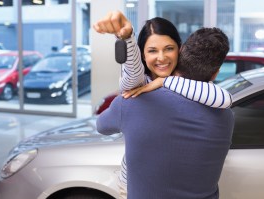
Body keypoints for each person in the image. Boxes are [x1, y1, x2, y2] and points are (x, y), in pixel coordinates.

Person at [94, 11, 233, 199]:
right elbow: (132, 75)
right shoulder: (138, 88)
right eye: (152, 50)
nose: (161, 58)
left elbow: (224, 98)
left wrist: (164, 82)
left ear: (180, 49)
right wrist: (128, 38)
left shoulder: (198, 91)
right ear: (141, 54)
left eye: (169, 48)